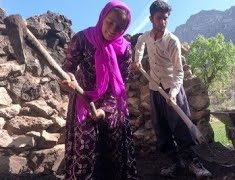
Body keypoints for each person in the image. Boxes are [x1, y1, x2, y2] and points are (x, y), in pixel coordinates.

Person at [134, 0, 212, 178]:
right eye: (159, 18)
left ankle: (195, 164)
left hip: (172, 89)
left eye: (165, 18)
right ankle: (175, 163)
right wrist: (137, 59)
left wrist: (174, 93)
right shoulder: (146, 36)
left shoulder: (172, 41)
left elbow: (179, 72)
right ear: (151, 18)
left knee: (182, 128)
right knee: (161, 129)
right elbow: (139, 43)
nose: (162, 22)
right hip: (155, 89)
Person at [60, 1, 137, 179]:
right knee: (86, 143)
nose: (112, 29)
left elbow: (121, 83)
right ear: (102, 17)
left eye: (119, 27)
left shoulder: (124, 49)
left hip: (111, 101)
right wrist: (68, 78)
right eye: (110, 22)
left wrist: (105, 110)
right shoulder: (82, 39)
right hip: (83, 98)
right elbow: (68, 68)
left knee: (114, 143)